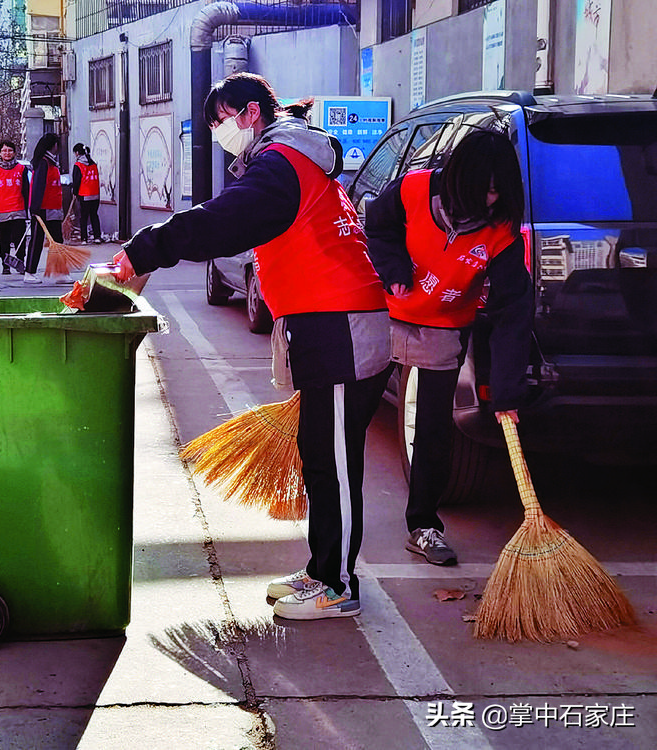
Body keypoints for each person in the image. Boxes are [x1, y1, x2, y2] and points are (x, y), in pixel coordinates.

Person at [112, 72, 391, 621]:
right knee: (319, 455)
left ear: (249, 115)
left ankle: (338, 586)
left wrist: (149, 248)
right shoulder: (293, 155)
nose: (218, 132)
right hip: (326, 325)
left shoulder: (281, 160)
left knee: (334, 462)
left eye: (219, 121)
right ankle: (321, 570)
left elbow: (227, 221)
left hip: (341, 327)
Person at [365, 128, 533, 566]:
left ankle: (423, 526)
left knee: (435, 431)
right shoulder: (413, 189)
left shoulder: (502, 232)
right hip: (383, 315)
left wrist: (506, 387)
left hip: (443, 329)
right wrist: (394, 266)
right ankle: (333, 514)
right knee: (351, 417)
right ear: (460, 177)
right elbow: (376, 227)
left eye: (499, 192)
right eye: (484, 190)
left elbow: (514, 310)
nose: (491, 201)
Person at [0, 139, 29, 274]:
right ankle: (5, 266)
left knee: (19, 238)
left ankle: (20, 262)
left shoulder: (21, 169)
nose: (7, 153)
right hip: (2, 211)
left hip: (18, 209)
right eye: (4, 150)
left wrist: (30, 209)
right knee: (4, 239)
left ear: (15, 152)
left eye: (10, 150)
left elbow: (27, 190)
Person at [26, 132, 63, 284]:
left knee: (58, 241)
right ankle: (29, 272)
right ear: (53, 146)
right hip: (42, 209)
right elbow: (38, 187)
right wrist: (35, 209)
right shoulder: (43, 163)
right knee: (36, 241)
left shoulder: (52, 163)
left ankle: (61, 273)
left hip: (54, 209)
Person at [72, 142, 102, 244]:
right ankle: (97, 237)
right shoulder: (93, 164)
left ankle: (84, 239)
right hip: (95, 194)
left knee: (83, 217)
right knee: (94, 215)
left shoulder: (78, 165)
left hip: (84, 194)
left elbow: (76, 181)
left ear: (77, 153)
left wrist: (75, 193)